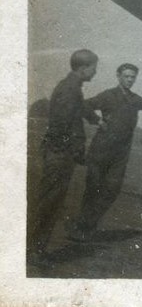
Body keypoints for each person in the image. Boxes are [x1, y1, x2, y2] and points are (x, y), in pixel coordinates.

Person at [67, 63, 142, 241]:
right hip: (101, 150)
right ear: (118, 76)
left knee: (112, 189)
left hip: (120, 154)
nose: (130, 80)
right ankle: (82, 229)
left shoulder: (134, 99)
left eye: (133, 77)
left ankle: (85, 225)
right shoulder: (108, 95)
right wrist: (96, 120)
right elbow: (85, 105)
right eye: (126, 76)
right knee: (93, 189)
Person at [28, 49, 99, 264]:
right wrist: (71, 150)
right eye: (94, 68)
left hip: (58, 154)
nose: (95, 72)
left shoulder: (71, 87)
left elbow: (75, 115)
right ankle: (34, 252)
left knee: (48, 201)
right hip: (60, 156)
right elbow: (61, 125)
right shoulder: (70, 90)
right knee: (49, 203)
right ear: (83, 68)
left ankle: (35, 249)